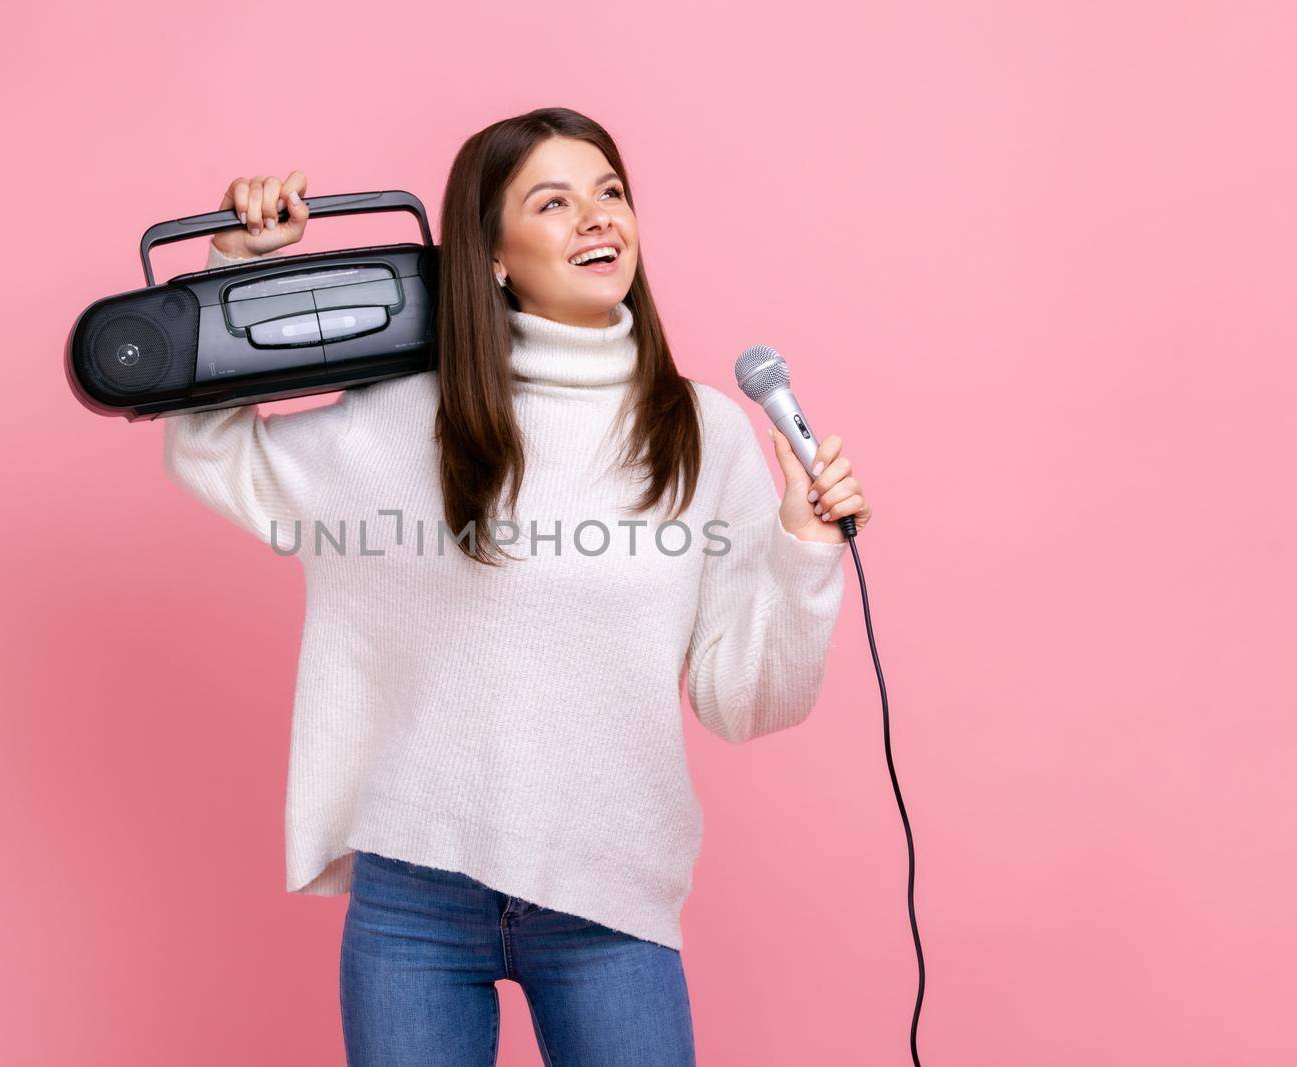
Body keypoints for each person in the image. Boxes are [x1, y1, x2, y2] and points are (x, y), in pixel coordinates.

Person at [165, 107, 873, 1066]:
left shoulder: (702, 431)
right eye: (555, 201)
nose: (597, 219)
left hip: (608, 889)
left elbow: (746, 702)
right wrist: (236, 264)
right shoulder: (406, 416)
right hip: (416, 895)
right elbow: (212, 445)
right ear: (493, 255)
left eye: (611, 193)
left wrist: (800, 552)